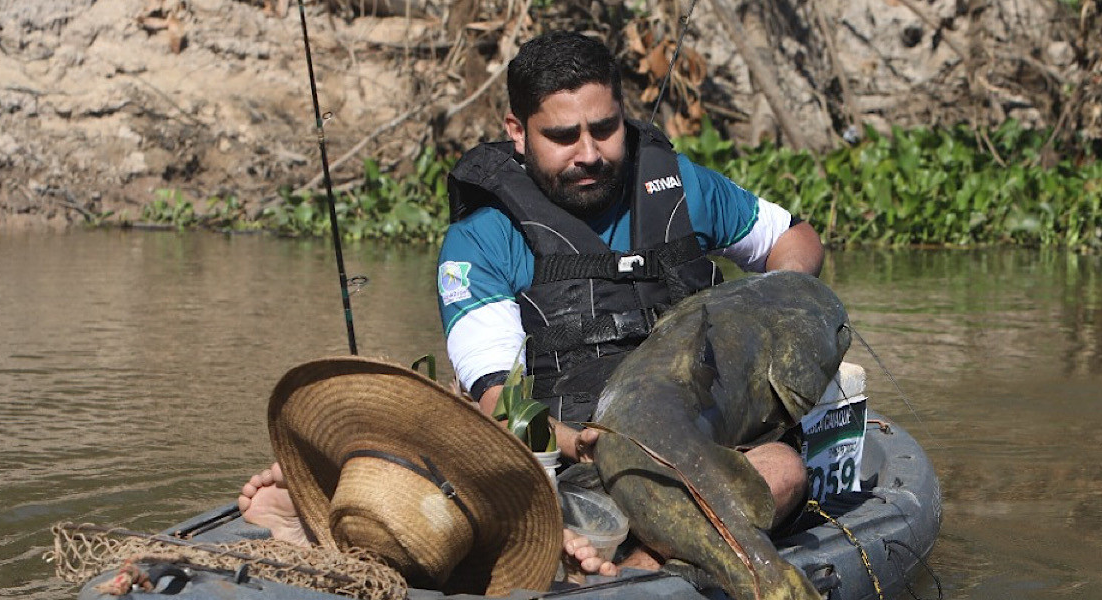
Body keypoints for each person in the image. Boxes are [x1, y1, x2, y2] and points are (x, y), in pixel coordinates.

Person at [241, 30, 825, 580]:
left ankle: (638, 562)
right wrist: (577, 443)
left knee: (782, 472)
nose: (590, 153)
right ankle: (340, 519)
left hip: (699, 442)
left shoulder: (681, 186)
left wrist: (769, 303)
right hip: (561, 450)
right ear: (518, 133)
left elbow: (794, 239)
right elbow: (497, 393)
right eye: (564, 137)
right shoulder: (482, 238)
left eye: (605, 128)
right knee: (462, 450)